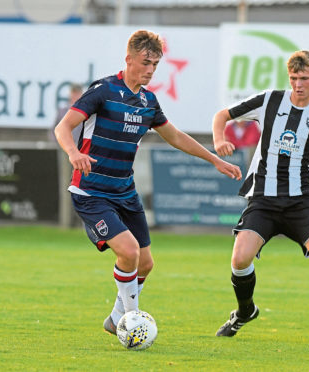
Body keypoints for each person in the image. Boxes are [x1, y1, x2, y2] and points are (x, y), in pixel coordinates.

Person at [54, 30, 242, 336]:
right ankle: (132, 322)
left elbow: (175, 136)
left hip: (124, 192)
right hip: (91, 191)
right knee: (128, 252)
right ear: (128, 59)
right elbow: (63, 127)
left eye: (155, 64)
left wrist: (215, 160)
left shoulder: (148, 101)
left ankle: (116, 318)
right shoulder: (103, 90)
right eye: (145, 62)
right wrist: (74, 153)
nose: (151, 69)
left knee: (145, 263)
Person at [212, 50, 309, 343]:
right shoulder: (270, 100)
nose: (298, 84)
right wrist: (219, 139)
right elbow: (222, 116)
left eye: (304, 78)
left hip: (301, 200)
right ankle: (245, 310)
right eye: (293, 78)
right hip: (264, 198)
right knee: (239, 258)